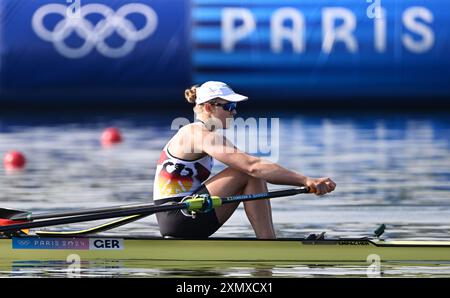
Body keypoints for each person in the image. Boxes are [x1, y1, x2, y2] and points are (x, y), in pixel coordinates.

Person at [153, 81, 336, 239]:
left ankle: (268, 242)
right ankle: (268, 245)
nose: (234, 113)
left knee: (250, 172)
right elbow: (253, 166)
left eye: (235, 107)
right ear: (209, 108)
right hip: (176, 215)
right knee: (248, 173)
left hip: (186, 212)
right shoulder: (196, 134)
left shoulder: (206, 135)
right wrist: (306, 180)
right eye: (229, 107)